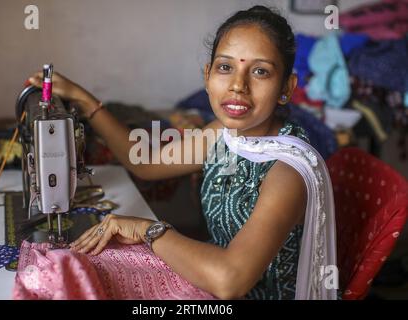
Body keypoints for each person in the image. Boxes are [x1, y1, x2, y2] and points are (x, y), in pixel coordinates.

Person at [28, 5, 337, 300]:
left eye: (260, 72)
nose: (238, 85)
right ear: (207, 76)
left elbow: (231, 279)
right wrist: (84, 99)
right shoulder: (226, 134)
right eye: (225, 67)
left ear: (287, 87)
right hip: (211, 279)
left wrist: (148, 229)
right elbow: (146, 163)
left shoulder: (288, 171)